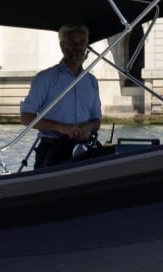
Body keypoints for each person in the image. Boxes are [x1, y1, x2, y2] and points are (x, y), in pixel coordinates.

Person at [20, 23, 102, 168]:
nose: (77, 46)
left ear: (86, 45)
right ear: (62, 46)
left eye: (81, 42)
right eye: (72, 42)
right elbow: (26, 117)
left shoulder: (91, 81)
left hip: (84, 151)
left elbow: (97, 120)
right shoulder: (45, 79)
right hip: (52, 152)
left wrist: (89, 127)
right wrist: (61, 128)